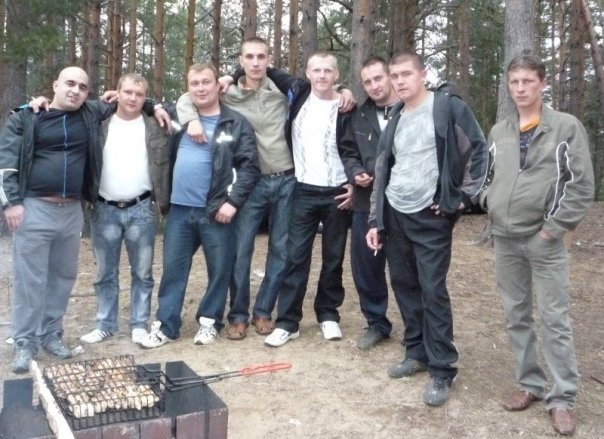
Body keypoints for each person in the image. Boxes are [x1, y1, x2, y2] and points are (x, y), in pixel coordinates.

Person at [480, 55, 594, 436]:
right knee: (516, 315)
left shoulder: (565, 127)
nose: (520, 88)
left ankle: (562, 398)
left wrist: (551, 230)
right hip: (505, 239)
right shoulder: (500, 130)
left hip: (544, 240)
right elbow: (488, 175)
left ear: (543, 83)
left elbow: (580, 185)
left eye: (528, 81)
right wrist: (488, 202)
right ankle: (530, 383)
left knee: (554, 319)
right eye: (514, 82)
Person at [366, 52, 488, 406]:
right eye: (394, 76)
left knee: (433, 290)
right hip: (395, 213)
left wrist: (462, 198)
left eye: (406, 74)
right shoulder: (395, 117)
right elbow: (382, 170)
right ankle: (416, 352)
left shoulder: (447, 107)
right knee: (404, 285)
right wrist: (375, 218)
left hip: (431, 217)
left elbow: (478, 151)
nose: (399, 81)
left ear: (423, 74)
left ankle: (442, 368)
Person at [176, 37, 295, 341]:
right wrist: (190, 120)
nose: (255, 62)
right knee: (241, 251)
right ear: (241, 61)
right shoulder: (228, 93)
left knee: (280, 250)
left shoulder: (283, 92)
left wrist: (345, 91)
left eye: (261, 57)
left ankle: (263, 311)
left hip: (287, 179)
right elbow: (189, 96)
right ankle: (238, 314)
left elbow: (322, 90)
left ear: (269, 60)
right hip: (252, 182)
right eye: (249, 57)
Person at [141, 63, 259, 349]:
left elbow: (249, 168)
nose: (200, 88)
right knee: (173, 271)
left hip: (216, 210)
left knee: (219, 271)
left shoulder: (235, 123)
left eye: (206, 82)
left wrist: (232, 202)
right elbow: (141, 105)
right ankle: (166, 326)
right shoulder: (176, 118)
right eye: (194, 83)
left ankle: (209, 322)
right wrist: (141, 102)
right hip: (179, 210)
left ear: (217, 85)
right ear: (188, 87)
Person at [261, 51, 354, 348]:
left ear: (336, 75)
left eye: (328, 70)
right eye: (317, 70)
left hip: (338, 192)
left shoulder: (347, 107)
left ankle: (328, 314)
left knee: (333, 258)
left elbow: (357, 148)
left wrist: (354, 183)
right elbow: (265, 68)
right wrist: (229, 77)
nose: (322, 75)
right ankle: (288, 322)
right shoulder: (299, 92)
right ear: (308, 73)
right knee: (295, 257)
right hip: (302, 190)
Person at [79, 73, 171, 346]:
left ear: (145, 98)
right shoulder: (98, 124)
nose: (133, 98)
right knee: (104, 273)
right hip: (103, 208)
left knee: (142, 273)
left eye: (139, 94)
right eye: (128, 92)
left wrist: (155, 106)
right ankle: (105, 324)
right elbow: (72, 106)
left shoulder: (155, 126)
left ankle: (139, 324)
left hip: (141, 209)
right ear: (116, 92)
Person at [340, 56, 398, 350]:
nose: (374, 86)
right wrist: (355, 172)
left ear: (390, 77)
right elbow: (348, 150)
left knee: (406, 269)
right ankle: (376, 323)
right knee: (366, 266)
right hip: (366, 201)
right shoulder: (358, 115)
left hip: (403, 202)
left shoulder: (409, 109)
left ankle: (418, 327)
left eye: (378, 78)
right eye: (367, 82)